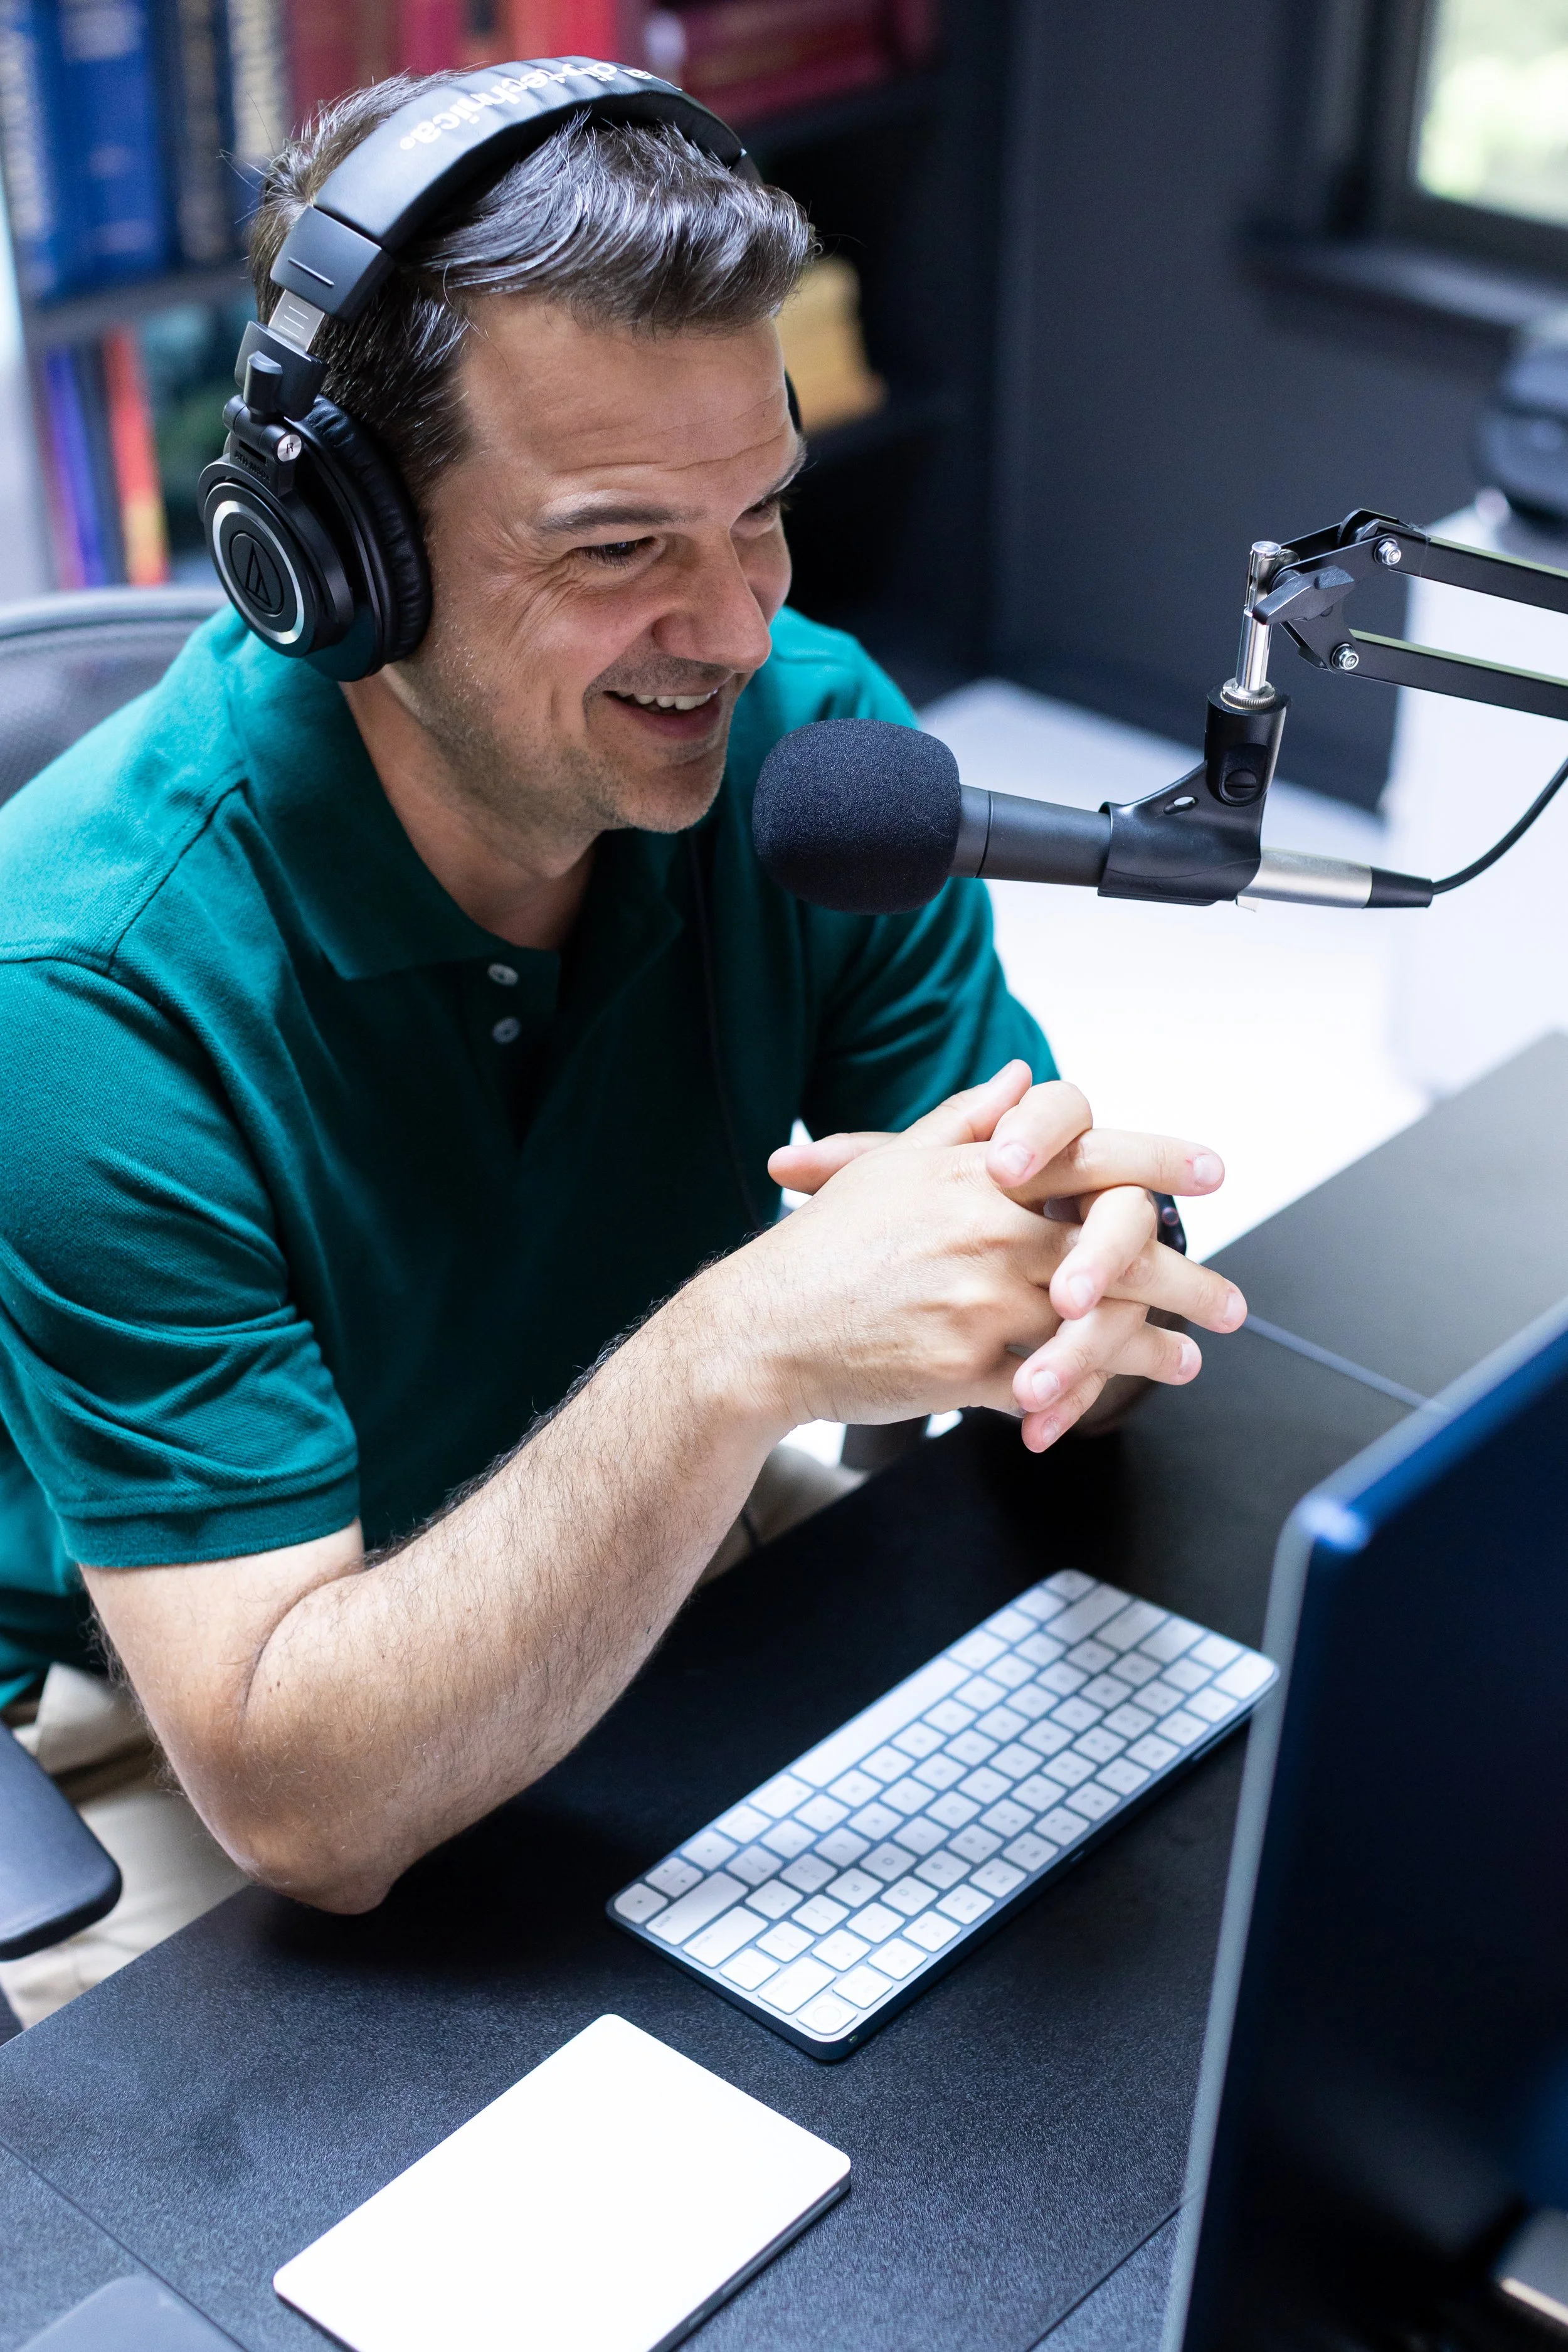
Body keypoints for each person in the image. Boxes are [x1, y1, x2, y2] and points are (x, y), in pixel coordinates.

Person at [0, 80, 1245, 2023]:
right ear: (335, 559)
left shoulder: (810, 747)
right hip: (176, 1711)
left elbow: (994, 1257)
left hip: (642, 1526)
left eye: (758, 512)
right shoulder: (74, 980)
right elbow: (307, 1810)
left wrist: (1060, 1285)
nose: (737, 628)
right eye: (614, 552)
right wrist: (740, 1345)